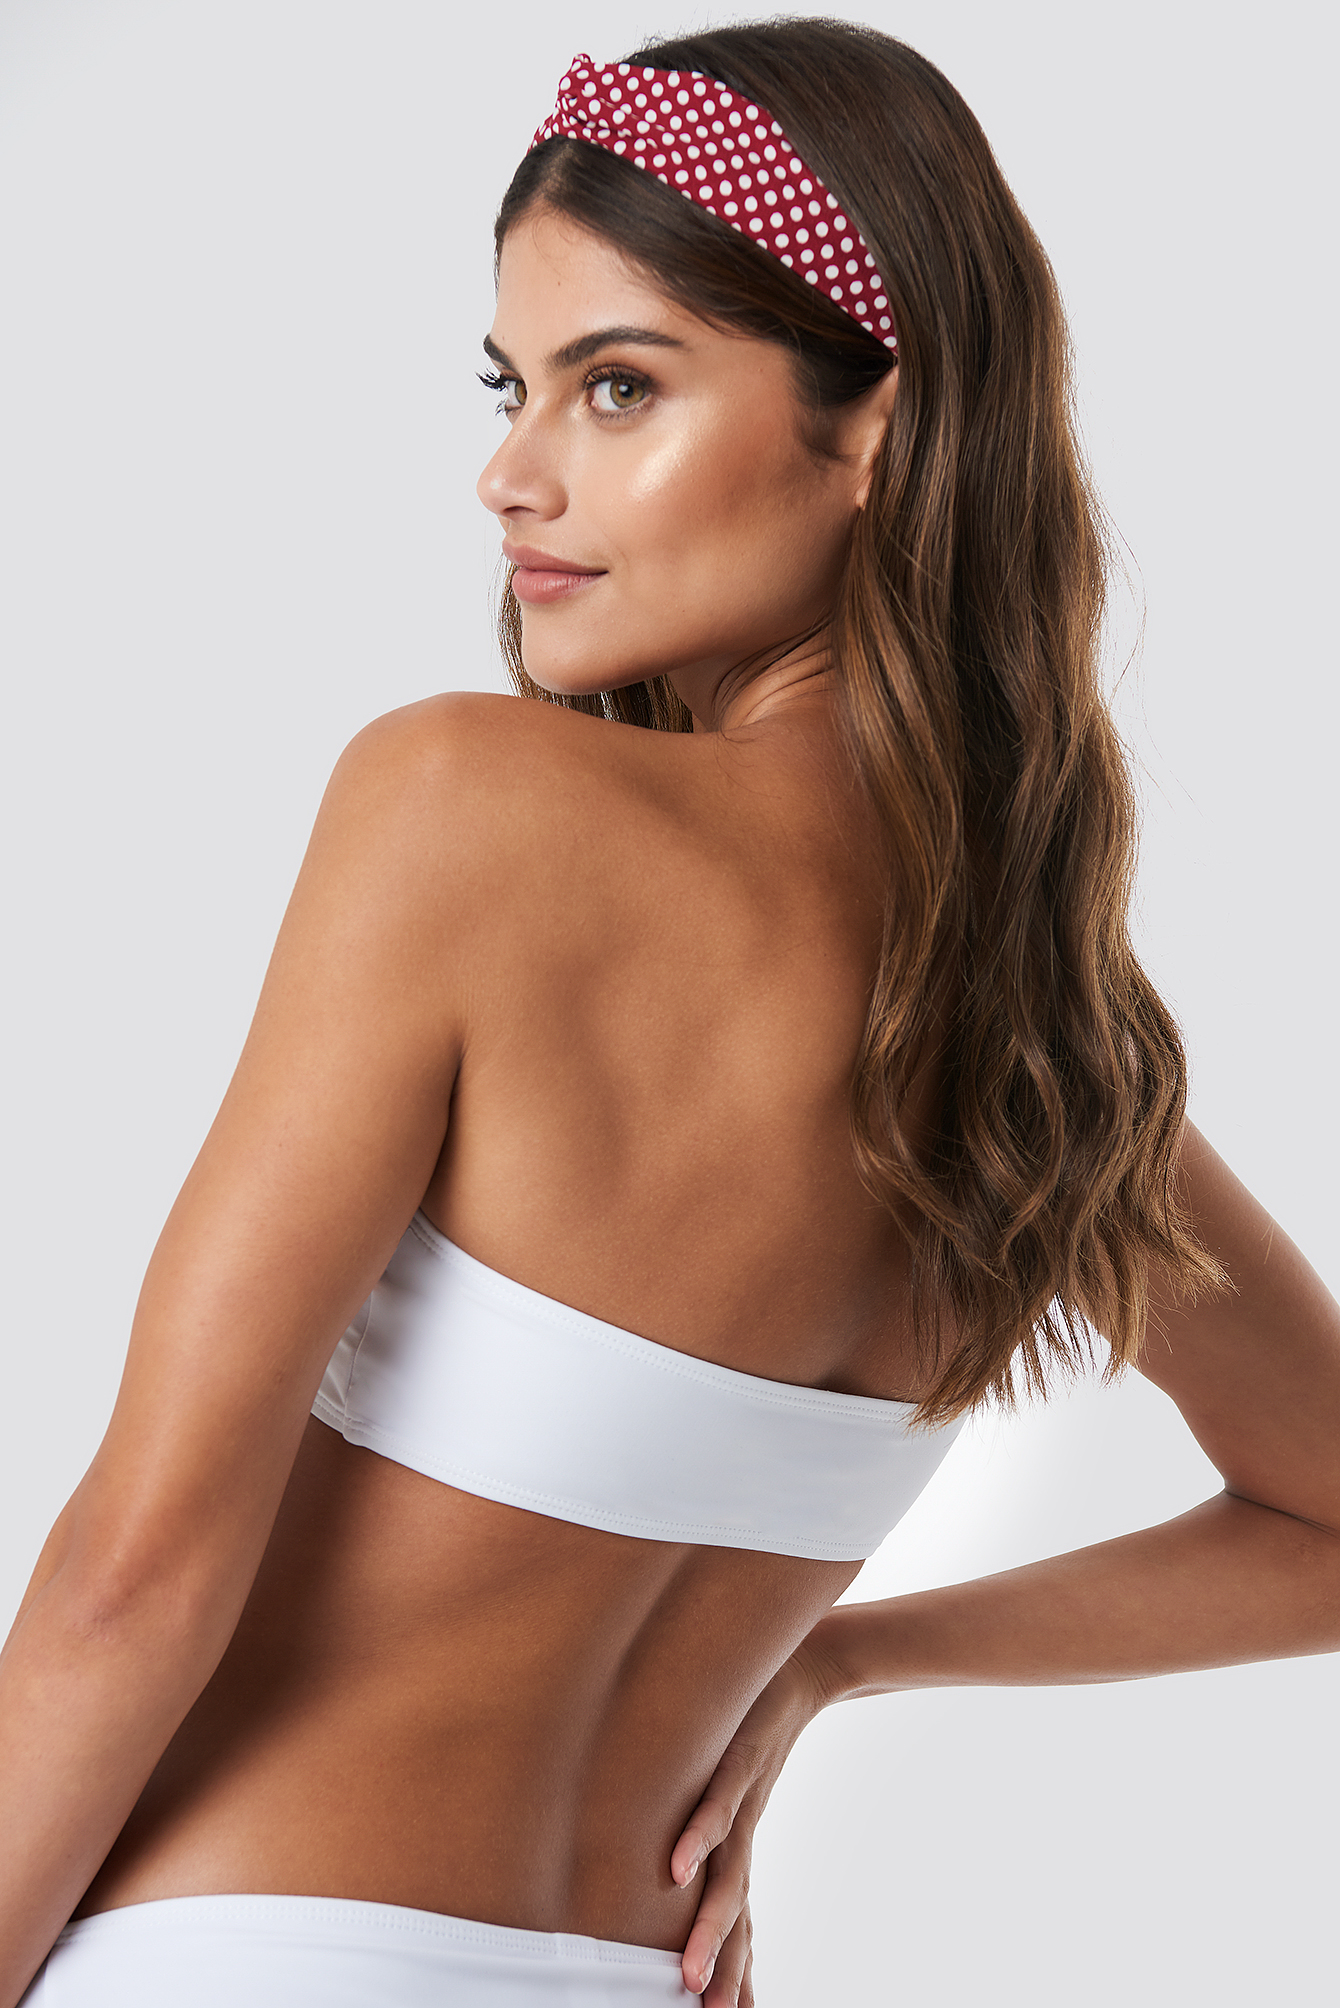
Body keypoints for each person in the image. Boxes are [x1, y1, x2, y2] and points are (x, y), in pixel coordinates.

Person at [3, 18, 1339, 2006]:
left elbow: (135, 1573)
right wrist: (836, 1655)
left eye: (619, 385)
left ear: (878, 425)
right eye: (514, 383)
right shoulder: (1034, 1040)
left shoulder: (463, 807)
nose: (511, 472)